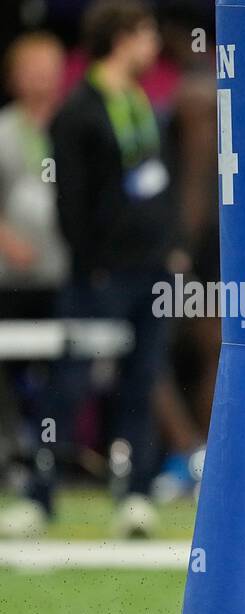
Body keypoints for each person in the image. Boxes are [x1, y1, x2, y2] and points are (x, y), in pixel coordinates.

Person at [1, 0, 177, 538]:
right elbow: (70, 204)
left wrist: (169, 249)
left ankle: (135, 493)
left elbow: (153, 182)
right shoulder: (79, 109)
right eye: (145, 34)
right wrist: (90, 264)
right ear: (121, 38)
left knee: (141, 380)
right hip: (100, 275)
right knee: (68, 385)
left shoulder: (139, 102)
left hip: (150, 269)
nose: (154, 46)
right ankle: (38, 494)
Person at [0, 32, 69, 478]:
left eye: (50, 66)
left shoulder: (75, 124)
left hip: (64, 274)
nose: (41, 77)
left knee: (67, 369)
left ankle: (56, 457)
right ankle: (11, 451)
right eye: (31, 67)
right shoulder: (5, 131)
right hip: (9, 276)